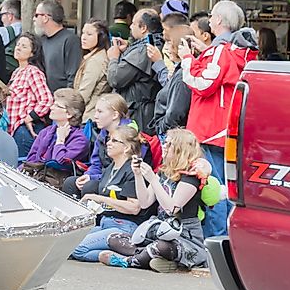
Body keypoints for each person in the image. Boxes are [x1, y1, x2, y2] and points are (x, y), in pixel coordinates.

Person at [100, 129, 210, 273]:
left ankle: (129, 261)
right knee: (114, 238)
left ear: (180, 149)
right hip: (159, 230)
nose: (163, 146)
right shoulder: (164, 171)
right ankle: (152, 258)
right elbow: (145, 202)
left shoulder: (191, 177)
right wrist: (138, 175)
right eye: (164, 142)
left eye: (168, 144)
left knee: (161, 247)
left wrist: (152, 179)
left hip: (184, 236)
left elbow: (172, 208)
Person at [179, 0, 257, 184]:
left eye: (212, 15)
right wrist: (206, 51)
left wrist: (187, 58)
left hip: (209, 128)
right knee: (225, 185)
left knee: (212, 187)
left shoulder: (220, 50)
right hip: (223, 128)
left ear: (219, 19)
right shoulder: (235, 51)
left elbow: (202, 84)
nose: (210, 19)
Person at [70, 126, 155, 262]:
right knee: (66, 246)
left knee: (77, 248)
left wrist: (97, 198)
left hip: (124, 225)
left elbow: (134, 207)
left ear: (126, 147)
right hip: (105, 223)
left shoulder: (132, 170)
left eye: (114, 141)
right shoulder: (111, 167)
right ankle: (111, 253)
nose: (108, 143)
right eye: (109, 139)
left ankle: (120, 258)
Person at [63, 93, 136, 197]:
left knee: (90, 186)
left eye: (100, 112)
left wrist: (93, 178)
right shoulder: (102, 134)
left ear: (115, 115)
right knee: (71, 183)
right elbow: (96, 164)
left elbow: (125, 171)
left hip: (121, 181)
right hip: (102, 177)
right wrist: (88, 175)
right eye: (95, 111)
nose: (95, 116)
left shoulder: (130, 137)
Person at [106, 8, 163, 134]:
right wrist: (128, 48)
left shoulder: (145, 49)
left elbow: (115, 79)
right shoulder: (154, 43)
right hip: (142, 110)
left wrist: (114, 58)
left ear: (143, 28)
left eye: (133, 24)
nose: (130, 27)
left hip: (139, 114)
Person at [23, 88, 89, 181]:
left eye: (57, 106)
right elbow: (31, 158)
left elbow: (59, 161)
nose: (51, 107)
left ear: (69, 114)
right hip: (35, 176)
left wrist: (60, 141)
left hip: (56, 183)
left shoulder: (80, 140)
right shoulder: (45, 132)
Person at [5, 33, 53, 158]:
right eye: (18, 44)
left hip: (25, 130)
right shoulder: (16, 72)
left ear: (32, 53)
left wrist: (29, 117)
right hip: (13, 129)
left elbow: (47, 99)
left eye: (24, 46)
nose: (18, 48)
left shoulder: (33, 71)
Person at [148, 26, 192, 137]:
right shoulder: (179, 71)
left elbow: (175, 113)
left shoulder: (182, 75)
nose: (166, 48)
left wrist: (162, 128)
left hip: (172, 133)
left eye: (169, 42)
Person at [34, 0, 82, 93]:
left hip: (61, 101)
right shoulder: (41, 40)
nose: (34, 19)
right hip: (43, 99)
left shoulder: (70, 40)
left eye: (36, 15)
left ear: (45, 17)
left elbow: (73, 76)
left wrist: (65, 101)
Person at [74, 19, 111, 123]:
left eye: (89, 34)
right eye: (83, 33)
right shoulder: (93, 56)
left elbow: (84, 93)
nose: (83, 37)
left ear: (101, 37)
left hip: (89, 115)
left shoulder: (96, 60)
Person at [0, 0, 22, 75]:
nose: (1, 19)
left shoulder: (2, 32)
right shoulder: (30, 29)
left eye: (2, 15)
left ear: (10, 16)